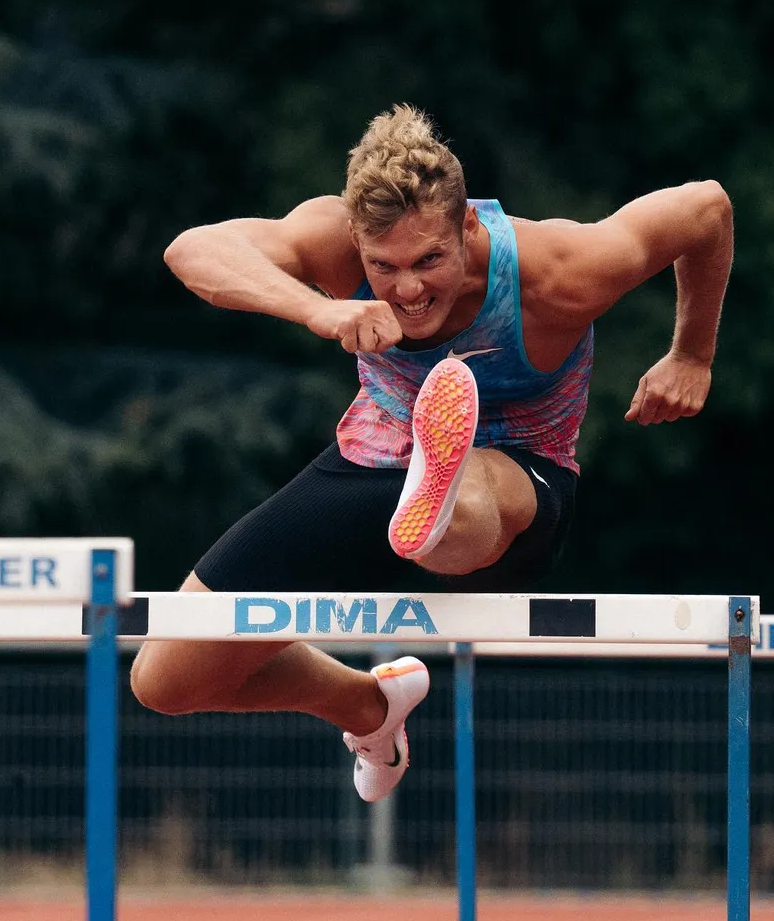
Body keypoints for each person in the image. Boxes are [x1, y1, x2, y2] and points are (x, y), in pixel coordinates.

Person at [130, 103, 733, 803]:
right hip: (375, 460)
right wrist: (320, 310)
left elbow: (707, 209)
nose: (409, 289)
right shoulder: (333, 240)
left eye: (430, 260)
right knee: (165, 679)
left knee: (463, 507)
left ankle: (441, 489)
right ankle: (367, 706)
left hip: (518, 478)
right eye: (382, 267)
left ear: (468, 225)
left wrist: (691, 352)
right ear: (357, 241)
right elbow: (192, 251)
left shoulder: (559, 271)